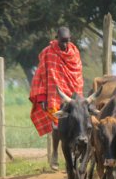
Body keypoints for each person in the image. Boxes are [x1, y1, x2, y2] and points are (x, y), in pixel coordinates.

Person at [29, 26, 84, 170]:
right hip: (54, 96)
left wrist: (78, 98)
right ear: (56, 38)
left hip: (73, 94)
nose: (64, 44)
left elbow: (77, 75)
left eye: (67, 41)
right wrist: (42, 97)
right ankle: (54, 153)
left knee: (76, 123)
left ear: (70, 39)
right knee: (56, 126)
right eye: (62, 41)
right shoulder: (48, 53)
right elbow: (40, 75)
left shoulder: (74, 52)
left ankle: (73, 155)